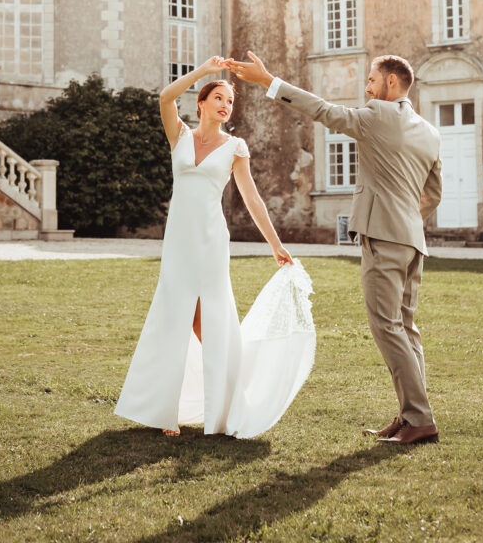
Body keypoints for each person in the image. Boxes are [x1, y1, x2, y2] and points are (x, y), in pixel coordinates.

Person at [227, 50, 443, 446]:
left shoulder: (378, 116)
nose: (367, 87)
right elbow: (433, 194)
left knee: (386, 327)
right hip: (414, 241)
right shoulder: (429, 131)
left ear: (391, 84)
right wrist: (407, 220)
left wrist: (267, 81)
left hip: (384, 238)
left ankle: (419, 418)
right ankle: (410, 415)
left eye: (372, 80)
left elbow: (323, 110)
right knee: (406, 329)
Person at [115, 56, 315, 438]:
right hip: (178, 240)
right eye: (219, 98)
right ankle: (164, 410)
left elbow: (252, 199)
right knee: (176, 316)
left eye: (230, 102)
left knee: (209, 318)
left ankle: (228, 392)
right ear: (202, 103)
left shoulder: (235, 147)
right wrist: (205, 71)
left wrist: (276, 244)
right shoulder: (180, 136)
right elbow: (164, 97)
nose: (225, 105)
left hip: (210, 240)